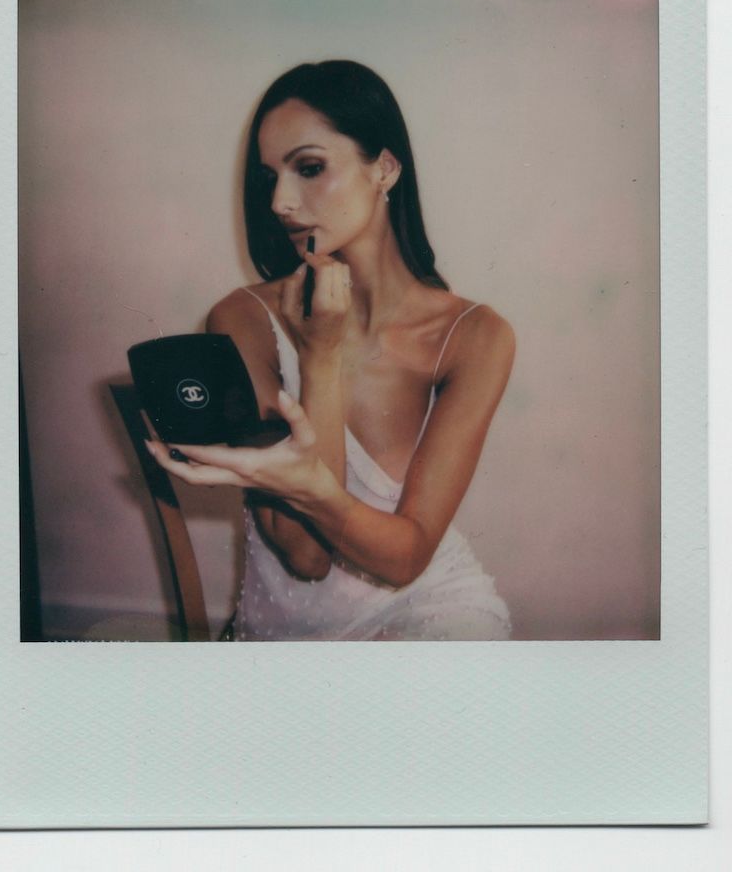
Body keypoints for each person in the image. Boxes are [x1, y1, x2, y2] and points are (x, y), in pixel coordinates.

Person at [146, 60, 515, 640]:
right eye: (270, 178)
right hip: (288, 632)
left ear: (384, 168)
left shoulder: (476, 336)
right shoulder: (244, 319)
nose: (280, 202)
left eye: (310, 168)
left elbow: (406, 559)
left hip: (430, 604)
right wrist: (319, 357)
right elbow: (305, 555)